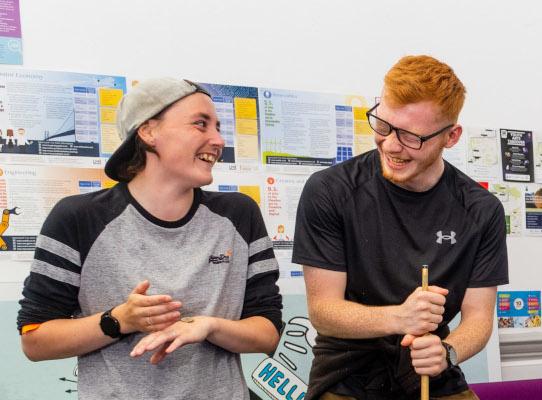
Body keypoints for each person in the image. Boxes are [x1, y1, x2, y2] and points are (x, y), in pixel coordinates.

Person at [17, 78, 283, 400]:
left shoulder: (239, 215)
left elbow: (267, 333)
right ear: (148, 132)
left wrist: (209, 326)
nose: (218, 140)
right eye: (201, 124)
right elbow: (35, 340)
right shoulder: (78, 217)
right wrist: (119, 321)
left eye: (218, 127)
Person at [292, 55, 508, 400]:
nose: (391, 145)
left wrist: (447, 353)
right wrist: (400, 317)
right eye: (383, 124)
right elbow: (324, 313)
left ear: (451, 137)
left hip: (431, 374)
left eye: (411, 136)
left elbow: (478, 320)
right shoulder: (330, 191)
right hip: (347, 376)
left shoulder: (481, 211)